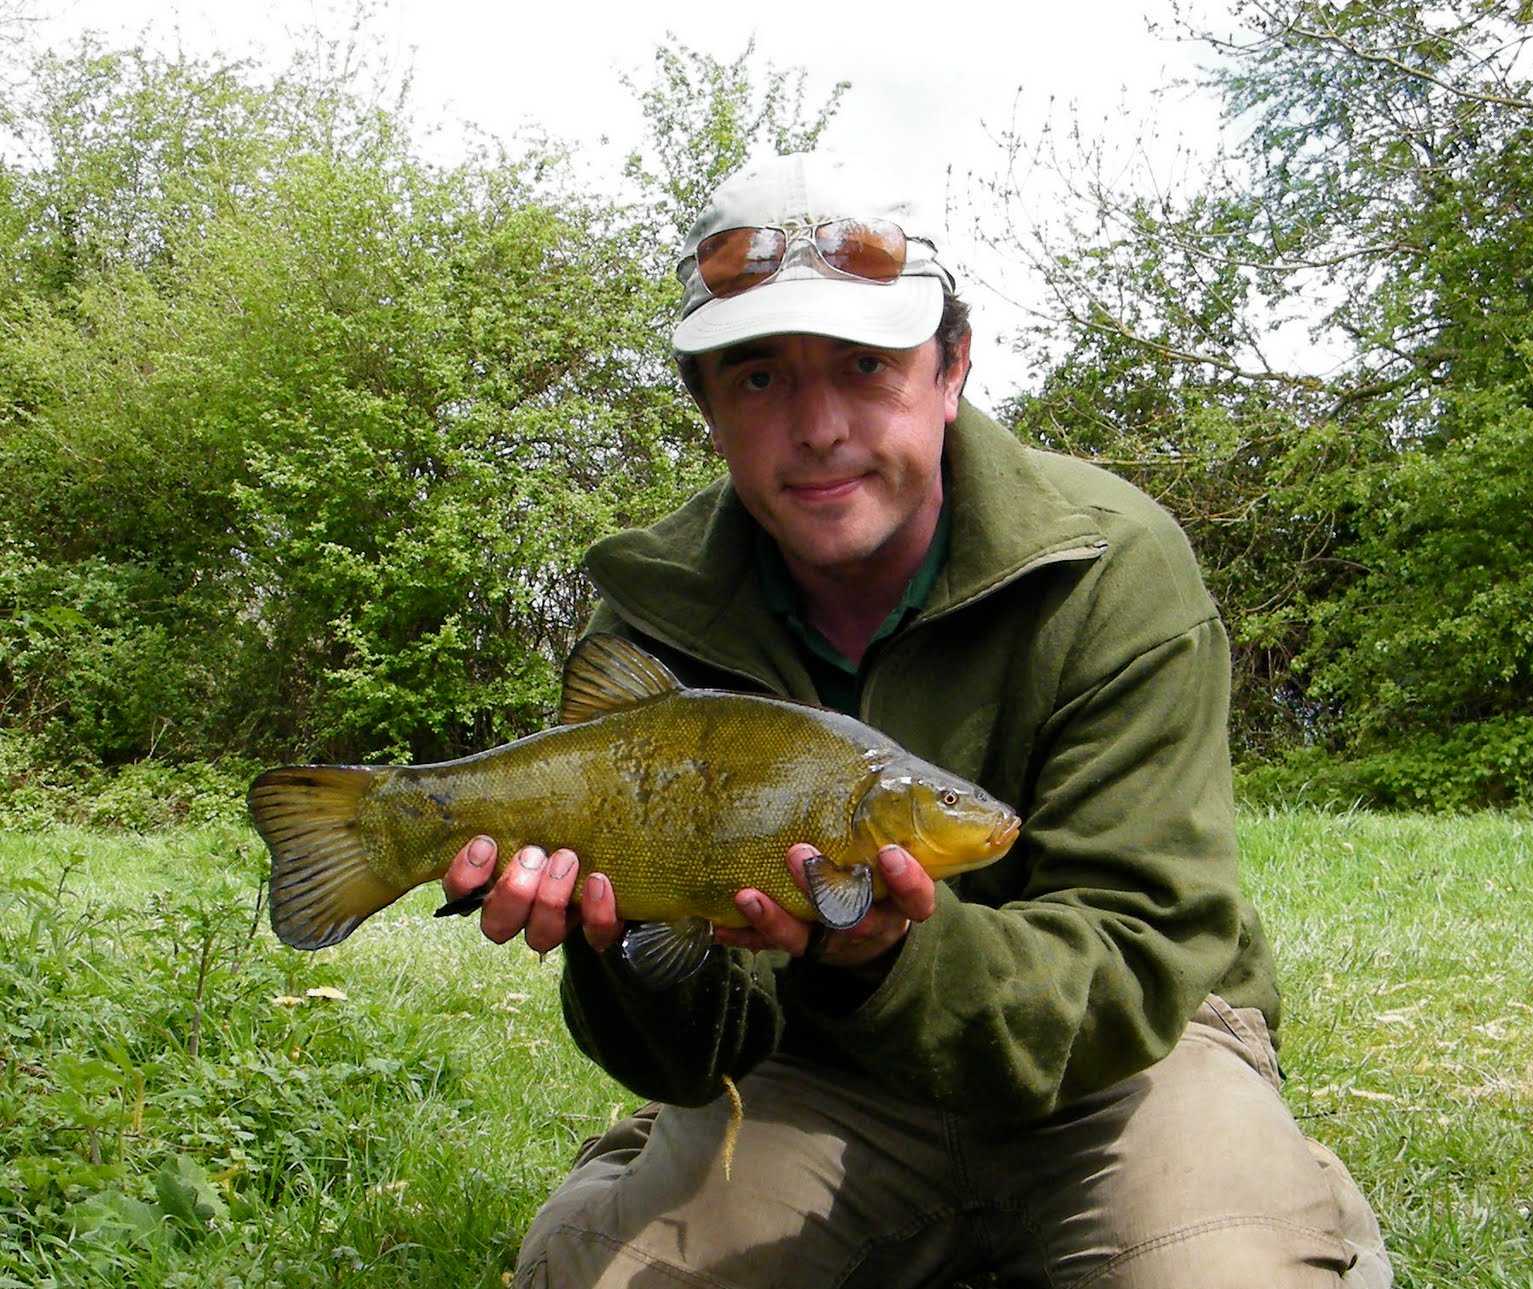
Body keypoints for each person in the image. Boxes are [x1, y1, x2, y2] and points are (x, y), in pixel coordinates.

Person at [442, 150, 1392, 1288]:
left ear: (953, 369)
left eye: (867, 365)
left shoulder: (1108, 563)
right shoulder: (656, 613)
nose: (819, 426)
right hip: (815, 1069)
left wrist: (891, 950)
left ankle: (1269, 1197)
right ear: (706, 411)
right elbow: (689, 1052)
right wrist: (622, 945)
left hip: (1124, 1064)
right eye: (757, 378)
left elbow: (1140, 959)